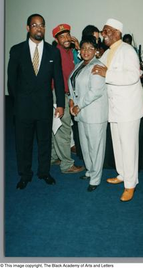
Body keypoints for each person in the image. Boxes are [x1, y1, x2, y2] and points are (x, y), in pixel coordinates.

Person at [7, 13, 65, 189]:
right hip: (23, 107)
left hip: (44, 106)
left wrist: (61, 104)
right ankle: (25, 175)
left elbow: (59, 79)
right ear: (27, 28)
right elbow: (12, 80)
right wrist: (18, 103)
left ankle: (44, 172)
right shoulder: (16, 51)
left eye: (42, 25)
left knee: (45, 141)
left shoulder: (53, 51)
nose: (39, 28)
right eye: (34, 25)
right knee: (23, 144)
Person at [92, 18, 143, 202]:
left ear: (117, 32)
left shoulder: (127, 50)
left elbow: (132, 76)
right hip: (114, 108)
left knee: (129, 146)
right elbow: (95, 66)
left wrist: (107, 73)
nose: (103, 33)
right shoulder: (108, 51)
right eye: (102, 30)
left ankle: (131, 184)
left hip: (128, 109)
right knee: (118, 144)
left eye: (106, 30)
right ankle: (122, 174)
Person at [68, 36, 108, 192]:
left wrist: (78, 105)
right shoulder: (80, 65)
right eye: (83, 48)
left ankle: (96, 179)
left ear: (96, 51)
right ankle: (90, 171)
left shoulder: (97, 66)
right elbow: (72, 84)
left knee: (95, 147)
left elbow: (95, 92)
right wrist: (71, 101)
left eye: (90, 48)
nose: (86, 51)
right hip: (82, 113)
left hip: (95, 114)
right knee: (85, 146)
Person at [51, 23, 84, 174]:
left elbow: (82, 65)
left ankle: (53, 157)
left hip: (66, 93)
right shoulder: (55, 52)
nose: (65, 38)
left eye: (67, 35)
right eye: (61, 36)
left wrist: (78, 47)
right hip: (57, 94)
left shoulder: (70, 52)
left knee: (55, 127)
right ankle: (67, 165)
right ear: (57, 39)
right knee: (64, 129)